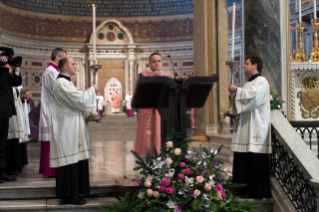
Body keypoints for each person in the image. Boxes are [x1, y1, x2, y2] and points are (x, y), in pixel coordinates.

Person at [50, 57, 99, 205]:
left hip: (71, 130)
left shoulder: (66, 82)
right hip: (67, 131)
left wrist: (89, 114)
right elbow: (81, 100)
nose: (75, 66)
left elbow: (76, 104)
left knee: (74, 163)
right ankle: (68, 196)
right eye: (73, 64)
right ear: (65, 67)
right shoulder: (62, 83)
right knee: (69, 163)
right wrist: (92, 89)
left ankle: (74, 193)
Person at [228, 56, 271, 199]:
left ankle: (258, 191)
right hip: (245, 127)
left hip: (256, 127)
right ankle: (243, 190)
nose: (244, 66)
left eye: (246, 64)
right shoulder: (248, 83)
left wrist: (237, 91)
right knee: (244, 156)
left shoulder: (262, 81)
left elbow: (255, 99)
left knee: (255, 157)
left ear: (255, 65)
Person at [134, 53, 170, 156]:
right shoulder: (143, 75)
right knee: (149, 130)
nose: (157, 63)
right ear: (149, 63)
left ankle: (163, 150)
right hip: (148, 108)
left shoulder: (168, 76)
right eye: (154, 61)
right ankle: (148, 152)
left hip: (164, 109)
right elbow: (140, 90)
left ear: (162, 63)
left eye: (159, 61)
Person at [38, 48, 66, 177]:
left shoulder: (54, 70)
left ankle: (52, 170)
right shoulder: (51, 71)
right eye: (64, 57)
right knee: (51, 140)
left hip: (54, 109)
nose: (65, 60)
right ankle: (50, 170)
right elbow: (57, 91)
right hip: (51, 110)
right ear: (57, 57)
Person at [0, 55, 22, 182]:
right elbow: (2, 85)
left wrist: (16, 69)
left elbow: (17, 83)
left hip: (5, 112)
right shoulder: (2, 72)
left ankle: (2, 172)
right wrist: (3, 68)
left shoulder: (5, 72)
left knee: (2, 146)